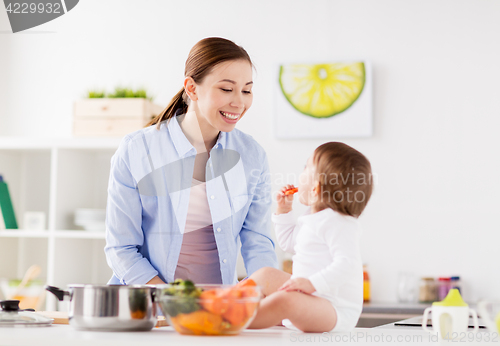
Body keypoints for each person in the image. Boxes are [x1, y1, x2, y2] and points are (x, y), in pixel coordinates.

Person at [104, 37, 278, 286]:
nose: (239, 102)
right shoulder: (137, 150)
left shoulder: (252, 156)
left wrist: (258, 293)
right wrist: (171, 301)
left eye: (247, 90)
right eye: (227, 89)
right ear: (192, 88)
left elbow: (258, 243)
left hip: (217, 310)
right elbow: (121, 248)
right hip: (148, 307)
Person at [247, 142, 373, 332]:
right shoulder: (311, 219)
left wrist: (312, 284)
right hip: (309, 298)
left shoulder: (341, 223)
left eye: (306, 167)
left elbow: (347, 264)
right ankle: (220, 303)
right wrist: (284, 211)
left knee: (286, 300)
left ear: (316, 189)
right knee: (265, 274)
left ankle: (231, 320)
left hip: (334, 310)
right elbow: (289, 243)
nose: (301, 171)